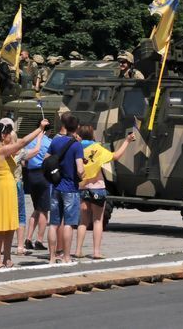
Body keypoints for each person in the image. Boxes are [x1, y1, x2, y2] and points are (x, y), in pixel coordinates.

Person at [0, 118, 49, 269]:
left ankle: (6, 257)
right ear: (2, 136)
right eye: (7, 133)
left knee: (9, 225)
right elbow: (22, 142)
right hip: (3, 189)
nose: (9, 136)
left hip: (8, 187)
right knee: (1, 227)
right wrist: (40, 129)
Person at [74, 126, 135, 259]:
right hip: (98, 188)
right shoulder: (97, 149)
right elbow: (116, 156)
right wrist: (127, 141)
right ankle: (96, 252)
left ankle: (78, 250)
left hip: (83, 187)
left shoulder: (77, 148)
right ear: (91, 135)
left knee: (83, 221)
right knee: (97, 221)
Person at [46, 113, 84, 264]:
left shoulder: (55, 142)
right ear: (77, 127)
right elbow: (80, 170)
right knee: (68, 223)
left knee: (53, 223)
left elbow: (46, 160)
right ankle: (67, 257)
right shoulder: (76, 145)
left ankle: (51, 257)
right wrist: (81, 174)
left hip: (56, 186)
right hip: (70, 188)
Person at [23, 130, 52, 251]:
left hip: (31, 174)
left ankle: (28, 238)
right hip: (43, 174)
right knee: (44, 210)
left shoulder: (29, 142)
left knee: (36, 208)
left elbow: (24, 161)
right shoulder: (50, 142)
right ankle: (39, 240)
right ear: (49, 131)